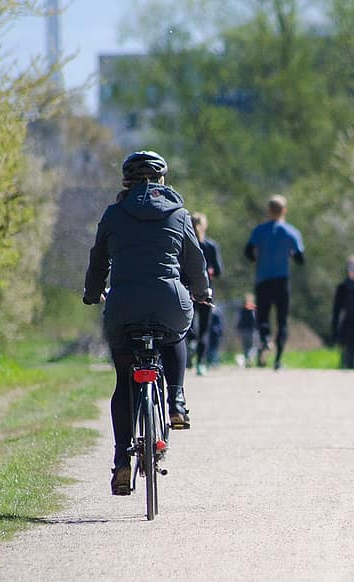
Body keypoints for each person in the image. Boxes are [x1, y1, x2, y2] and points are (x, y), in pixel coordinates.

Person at [83, 150, 211, 495]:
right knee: (176, 333)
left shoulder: (113, 214)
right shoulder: (180, 214)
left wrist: (92, 294)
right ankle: (176, 401)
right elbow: (196, 263)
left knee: (124, 382)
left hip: (123, 306)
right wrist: (202, 293)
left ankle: (122, 462)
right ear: (162, 180)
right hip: (169, 302)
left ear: (126, 182)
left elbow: (98, 262)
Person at [244, 195, 305, 370]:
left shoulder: (259, 231)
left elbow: (248, 252)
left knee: (262, 316)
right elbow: (300, 258)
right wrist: (290, 254)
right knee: (282, 320)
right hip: (282, 281)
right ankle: (278, 361)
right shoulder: (291, 232)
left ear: (268, 211)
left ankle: (265, 339)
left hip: (263, 280)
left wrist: (258, 257)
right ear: (284, 210)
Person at [190, 212, 224, 376]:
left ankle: (190, 345)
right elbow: (218, 270)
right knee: (204, 329)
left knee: (186, 324)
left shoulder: (185, 244)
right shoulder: (211, 246)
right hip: (205, 291)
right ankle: (200, 363)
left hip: (187, 290)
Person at [236, 293, 258, 367]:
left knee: (245, 348)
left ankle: (247, 362)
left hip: (243, 331)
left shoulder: (242, 308)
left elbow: (239, 320)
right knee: (253, 347)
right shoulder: (253, 308)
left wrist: (238, 329)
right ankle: (248, 359)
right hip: (251, 331)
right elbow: (255, 319)